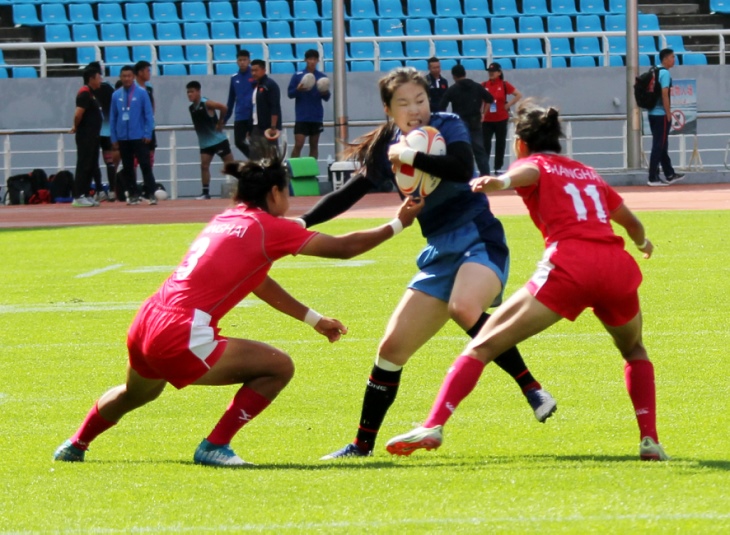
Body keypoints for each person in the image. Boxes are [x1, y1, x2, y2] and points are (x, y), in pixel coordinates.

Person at [53, 148, 423, 467]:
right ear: (274, 192)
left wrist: (313, 319)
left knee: (137, 393)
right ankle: (215, 445)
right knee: (278, 366)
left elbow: (257, 280)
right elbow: (343, 248)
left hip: (146, 322)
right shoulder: (267, 228)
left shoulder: (227, 219)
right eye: (287, 190)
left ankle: (75, 444)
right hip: (181, 333)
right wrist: (399, 223)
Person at [385, 101, 669, 462]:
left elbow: (529, 172)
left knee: (482, 345)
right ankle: (650, 440)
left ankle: (433, 425)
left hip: (571, 266)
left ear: (520, 144)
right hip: (616, 267)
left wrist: (500, 181)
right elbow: (632, 224)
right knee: (634, 350)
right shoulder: (588, 173)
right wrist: (643, 244)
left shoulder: (532, 163)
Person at [297, 67, 556, 460]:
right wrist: (301, 223)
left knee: (464, 307)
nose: (415, 109)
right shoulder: (388, 142)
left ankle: (532, 388)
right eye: (403, 103)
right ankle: (361, 447)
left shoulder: (447, 125)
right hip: (439, 252)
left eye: (420, 100)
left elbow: (460, 167)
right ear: (388, 110)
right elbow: (352, 191)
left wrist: (409, 156)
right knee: (390, 350)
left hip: (478, 238)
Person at [110, 65, 156, 206]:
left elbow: (148, 115)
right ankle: (132, 194)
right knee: (128, 167)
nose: (127, 79)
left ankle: (150, 193)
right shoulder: (116, 95)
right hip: (123, 138)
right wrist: (114, 137)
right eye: (124, 76)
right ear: (120, 77)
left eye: (129, 76)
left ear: (133, 77)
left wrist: (148, 133)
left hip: (140, 136)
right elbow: (113, 117)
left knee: (145, 165)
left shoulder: (142, 93)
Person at [439, 64, 494, 176]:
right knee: (479, 151)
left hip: (460, 124)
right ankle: (486, 175)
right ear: (465, 73)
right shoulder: (477, 86)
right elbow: (489, 98)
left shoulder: (453, 89)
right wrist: (483, 113)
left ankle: (465, 176)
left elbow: (442, 106)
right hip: (475, 122)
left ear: (454, 76)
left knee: (461, 151)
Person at [186, 81, 235, 200]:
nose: (189, 94)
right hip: (205, 143)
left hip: (218, 141)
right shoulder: (191, 108)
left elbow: (224, 107)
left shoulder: (207, 103)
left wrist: (221, 122)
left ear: (198, 92)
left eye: (192, 91)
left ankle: (248, 187)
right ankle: (205, 192)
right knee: (204, 166)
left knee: (231, 166)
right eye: (188, 92)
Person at [647, 48, 685, 187]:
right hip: (660, 115)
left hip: (652, 113)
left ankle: (669, 174)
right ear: (665, 59)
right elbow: (665, 94)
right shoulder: (665, 74)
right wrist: (668, 113)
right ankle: (653, 177)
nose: (674, 60)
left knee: (662, 144)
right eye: (672, 57)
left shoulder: (654, 70)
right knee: (659, 146)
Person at [287, 49, 331, 159]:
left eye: (315, 59)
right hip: (302, 116)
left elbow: (327, 97)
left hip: (316, 116)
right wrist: (298, 90)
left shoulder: (322, 76)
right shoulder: (298, 75)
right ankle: (292, 167)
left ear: (318, 60)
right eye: (310, 59)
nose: (312, 62)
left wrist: (324, 92)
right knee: (299, 144)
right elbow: (290, 94)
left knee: (314, 145)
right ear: (305, 60)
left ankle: (312, 168)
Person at [70, 66, 103, 208]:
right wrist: (76, 126)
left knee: (91, 165)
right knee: (84, 165)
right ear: (91, 78)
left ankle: (86, 193)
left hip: (93, 136)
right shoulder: (84, 93)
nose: (101, 80)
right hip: (86, 136)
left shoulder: (91, 93)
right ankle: (78, 196)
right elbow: (78, 114)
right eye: (99, 77)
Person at [481, 62, 522, 176]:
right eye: (490, 71)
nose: (491, 73)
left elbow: (518, 95)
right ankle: (485, 169)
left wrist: (508, 105)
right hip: (487, 120)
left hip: (501, 119)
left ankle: (498, 167)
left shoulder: (504, 84)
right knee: (486, 145)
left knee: (500, 144)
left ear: (499, 73)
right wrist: (481, 113)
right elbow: (479, 98)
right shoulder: (484, 85)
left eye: (493, 71)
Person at [88, 62, 119, 202]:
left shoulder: (89, 88)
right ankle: (111, 190)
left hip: (95, 131)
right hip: (107, 131)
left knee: (95, 161)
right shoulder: (110, 87)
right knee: (109, 162)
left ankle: (100, 190)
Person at [224, 49, 255, 159]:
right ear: (237, 61)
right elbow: (231, 99)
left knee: (254, 141)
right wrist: (225, 118)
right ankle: (256, 159)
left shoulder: (254, 75)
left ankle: (258, 162)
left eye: (244, 60)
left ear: (249, 61)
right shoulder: (234, 78)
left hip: (253, 115)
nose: (242, 62)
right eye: (240, 60)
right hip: (240, 115)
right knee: (238, 142)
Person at [249, 59, 282, 160]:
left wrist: (273, 127)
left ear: (264, 70)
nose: (254, 73)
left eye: (256, 70)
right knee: (255, 158)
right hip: (256, 127)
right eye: (252, 70)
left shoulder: (270, 85)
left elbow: (274, 106)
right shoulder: (256, 86)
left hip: (267, 128)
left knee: (271, 158)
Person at [134, 60, 158, 198]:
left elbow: (152, 105)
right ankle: (133, 188)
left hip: (149, 127)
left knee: (149, 158)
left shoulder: (149, 88)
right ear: (140, 72)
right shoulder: (133, 88)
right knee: (135, 159)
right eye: (147, 70)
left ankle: (147, 186)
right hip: (137, 129)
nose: (149, 73)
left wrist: (150, 121)